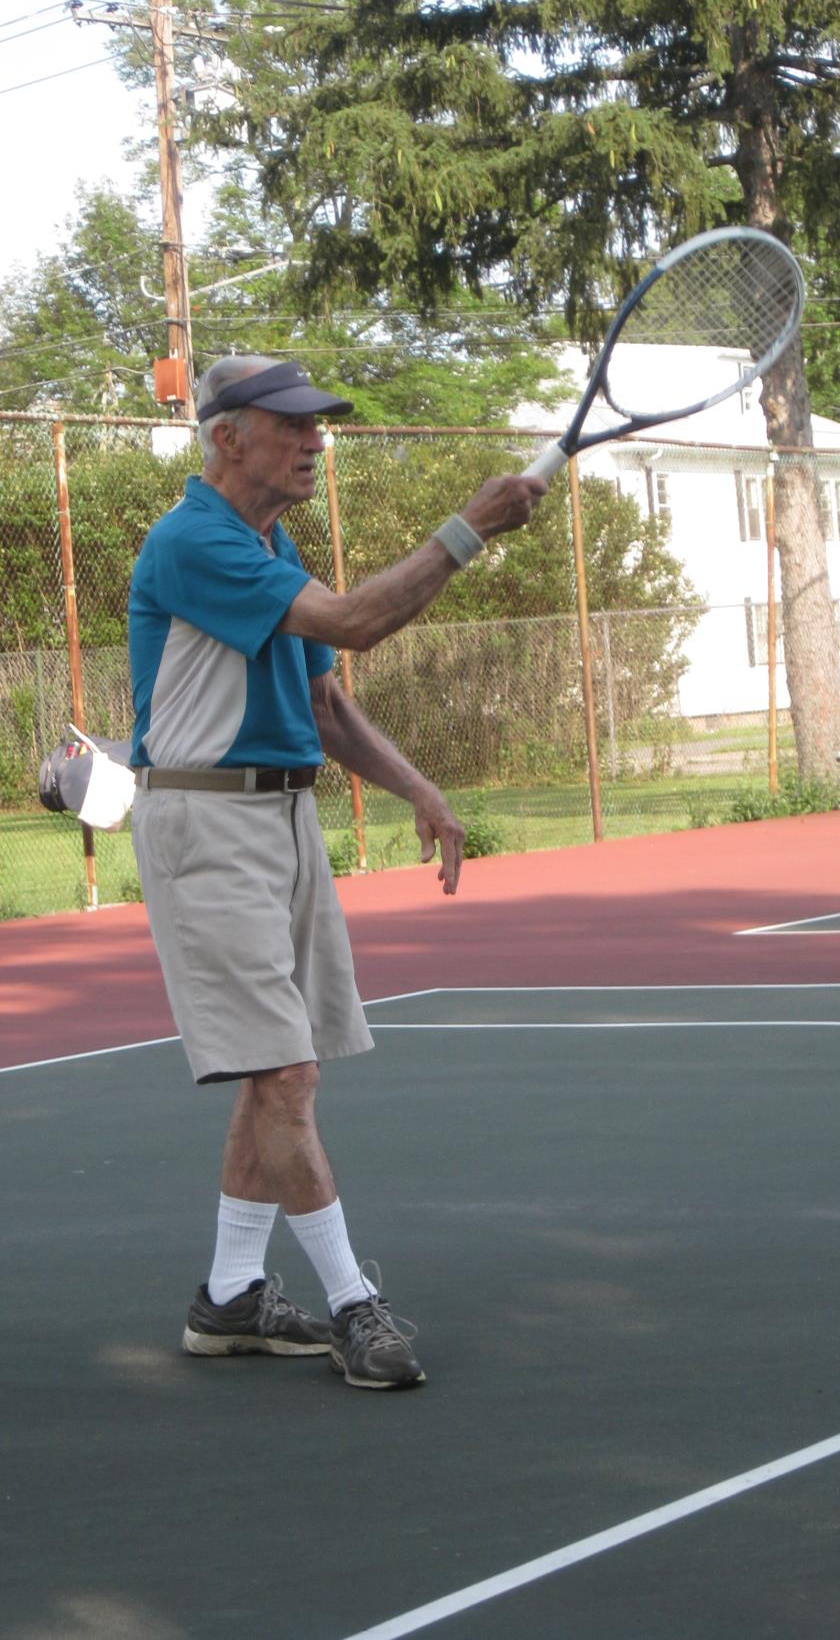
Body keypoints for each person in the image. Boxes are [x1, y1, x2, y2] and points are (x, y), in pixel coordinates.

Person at [128, 354, 545, 1390]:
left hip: (281, 820)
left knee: (277, 1067)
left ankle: (230, 1296)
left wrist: (419, 790)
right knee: (287, 1074)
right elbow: (357, 620)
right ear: (228, 437)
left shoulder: (269, 538)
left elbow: (326, 705)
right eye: (294, 424)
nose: (318, 440)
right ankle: (355, 1303)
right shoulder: (194, 540)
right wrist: (469, 527)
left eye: (321, 424)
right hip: (205, 825)